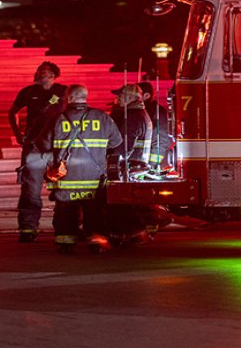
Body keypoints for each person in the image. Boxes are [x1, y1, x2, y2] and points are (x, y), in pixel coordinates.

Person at [35, 84, 122, 254]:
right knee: (94, 211)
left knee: (65, 211)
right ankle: (95, 242)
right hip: (93, 176)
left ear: (69, 98)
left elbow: (43, 144)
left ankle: (65, 243)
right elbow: (116, 142)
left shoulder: (57, 119)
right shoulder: (102, 117)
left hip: (67, 177)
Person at [8, 61, 67, 243]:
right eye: (38, 71)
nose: (39, 74)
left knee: (63, 188)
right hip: (34, 147)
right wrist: (18, 134)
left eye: (44, 72)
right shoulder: (28, 92)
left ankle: (65, 227)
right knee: (30, 189)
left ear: (53, 75)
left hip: (58, 148)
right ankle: (28, 228)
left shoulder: (63, 91)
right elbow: (13, 112)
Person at [107, 84, 159, 244]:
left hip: (129, 165)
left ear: (130, 98)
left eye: (120, 95)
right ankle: (132, 232)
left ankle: (135, 231)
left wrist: (111, 163)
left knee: (117, 202)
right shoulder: (139, 114)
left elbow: (123, 147)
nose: (117, 99)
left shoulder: (132, 118)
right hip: (135, 164)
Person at [136, 82, 171, 169]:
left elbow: (161, 141)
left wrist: (151, 165)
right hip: (142, 164)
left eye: (137, 95)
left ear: (146, 96)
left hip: (153, 166)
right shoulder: (141, 112)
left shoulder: (157, 113)